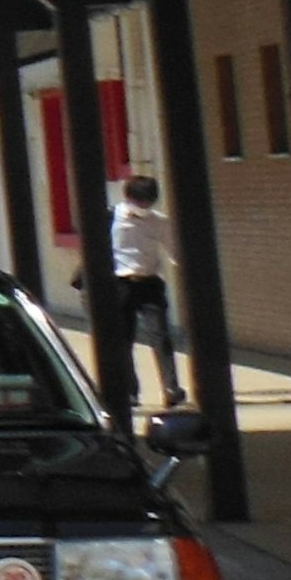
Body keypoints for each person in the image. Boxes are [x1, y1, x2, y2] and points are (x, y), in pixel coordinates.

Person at [112, 174, 183, 409]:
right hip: (121, 283)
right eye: (141, 202)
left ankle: (171, 388)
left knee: (161, 337)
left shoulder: (160, 222)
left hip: (150, 283)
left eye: (149, 202)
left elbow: (174, 251)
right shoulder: (111, 217)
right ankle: (129, 391)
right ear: (129, 198)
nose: (145, 207)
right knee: (123, 341)